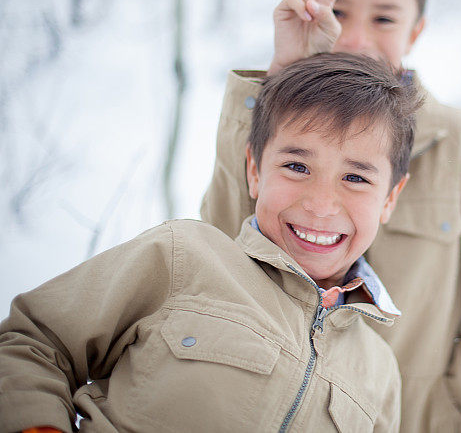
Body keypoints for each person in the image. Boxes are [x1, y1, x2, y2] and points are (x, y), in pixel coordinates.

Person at [201, 0, 461, 431]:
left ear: (417, 29)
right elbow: (217, 253)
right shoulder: (274, 131)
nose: (355, 39)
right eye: (336, 12)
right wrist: (278, 82)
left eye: (383, 19)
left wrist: (449, 406)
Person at [0, 53, 419, 433]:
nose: (322, 205)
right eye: (296, 166)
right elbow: (33, 342)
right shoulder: (183, 257)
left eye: (356, 178)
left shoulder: (380, 372)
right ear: (254, 171)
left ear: (390, 198)